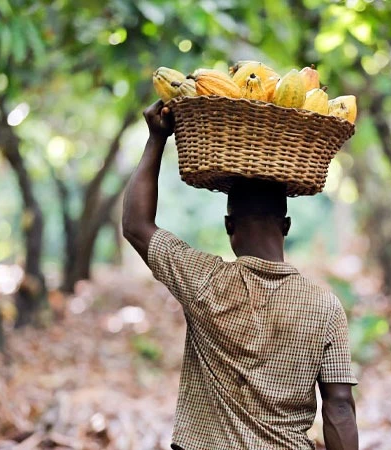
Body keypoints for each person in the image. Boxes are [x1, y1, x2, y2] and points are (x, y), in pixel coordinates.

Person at [122, 100, 358, 450]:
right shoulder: (325, 307)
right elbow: (339, 408)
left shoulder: (203, 280)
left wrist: (157, 138)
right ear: (287, 226)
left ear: (229, 226)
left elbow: (136, 226)